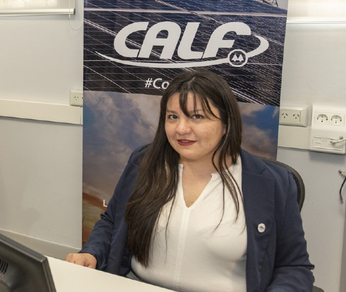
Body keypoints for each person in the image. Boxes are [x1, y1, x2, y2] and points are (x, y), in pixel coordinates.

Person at [66, 70, 314, 292]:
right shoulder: (144, 163)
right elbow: (111, 221)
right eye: (173, 117)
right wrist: (92, 252)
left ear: (226, 123)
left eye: (197, 117)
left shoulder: (272, 183)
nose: (181, 129)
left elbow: (294, 267)